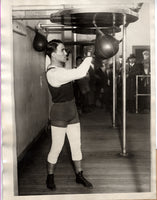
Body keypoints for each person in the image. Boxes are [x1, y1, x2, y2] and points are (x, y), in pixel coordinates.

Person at [45, 39, 93, 190]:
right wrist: (91, 55)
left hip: (72, 111)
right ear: (53, 55)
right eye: (62, 50)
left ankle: (79, 175)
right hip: (59, 113)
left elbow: (74, 73)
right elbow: (79, 72)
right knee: (57, 147)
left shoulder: (62, 70)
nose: (65, 53)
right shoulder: (53, 73)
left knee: (76, 145)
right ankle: (50, 176)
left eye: (65, 50)